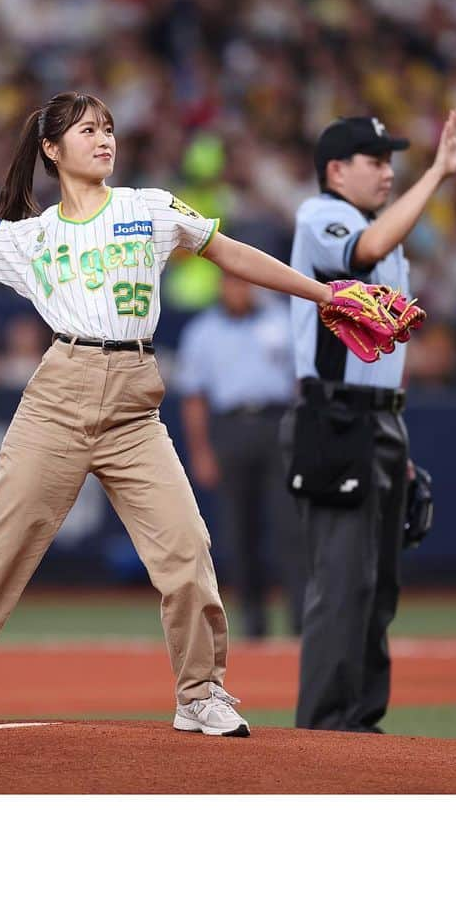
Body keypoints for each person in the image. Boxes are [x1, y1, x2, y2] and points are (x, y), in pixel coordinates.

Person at [0, 90, 390, 738]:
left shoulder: (149, 208)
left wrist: (324, 293)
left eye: (107, 128)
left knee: (188, 549)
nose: (103, 139)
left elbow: (229, 252)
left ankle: (201, 693)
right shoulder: (35, 236)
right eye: (85, 131)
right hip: (60, 398)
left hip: (135, 405)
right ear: (51, 149)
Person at [286, 110, 456, 732]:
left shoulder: (384, 230)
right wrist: (436, 178)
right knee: (342, 586)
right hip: (334, 416)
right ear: (336, 171)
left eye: (391, 160)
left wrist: (401, 442)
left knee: (378, 588)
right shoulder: (322, 216)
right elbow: (364, 250)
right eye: (376, 161)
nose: (389, 171)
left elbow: (387, 346)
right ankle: (323, 729)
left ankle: (362, 723)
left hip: (379, 420)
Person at [175, 273, 305, 639]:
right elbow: (194, 397)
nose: (238, 290)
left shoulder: (279, 320)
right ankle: (253, 622)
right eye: (232, 283)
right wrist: (201, 451)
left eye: (244, 283)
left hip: (277, 423)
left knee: (290, 528)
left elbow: (302, 381)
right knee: (239, 531)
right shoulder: (202, 332)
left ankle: (301, 620)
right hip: (230, 428)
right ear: (221, 287)